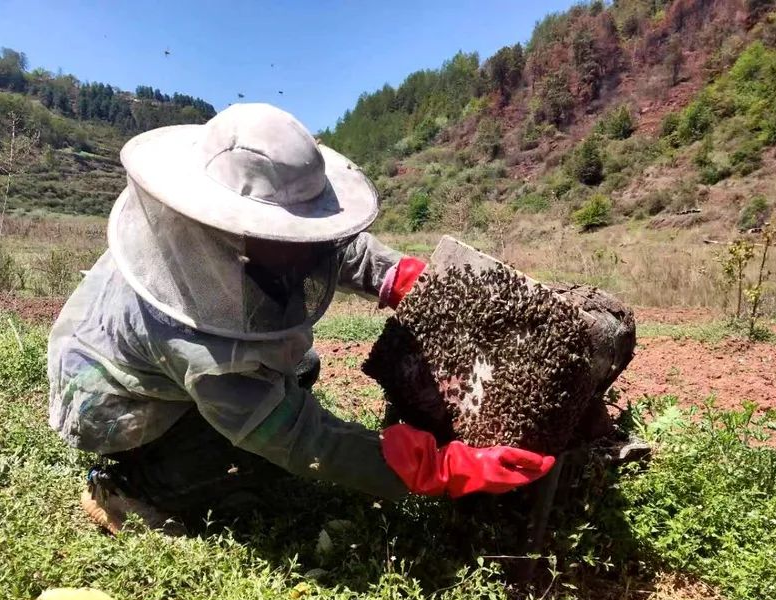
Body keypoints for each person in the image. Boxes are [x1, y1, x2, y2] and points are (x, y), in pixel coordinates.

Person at [47, 103, 555, 534]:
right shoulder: (196, 335)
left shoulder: (224, 234)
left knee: (299, 367)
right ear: (236, 229)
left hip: (136, 354)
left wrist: (399, 276)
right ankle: (132, 486)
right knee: (248, 446)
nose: (310, 242)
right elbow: (296, 438)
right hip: (111, 403)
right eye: (289, 231)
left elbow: (323, 245)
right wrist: (436, 467)